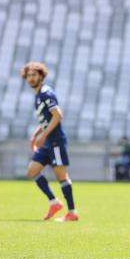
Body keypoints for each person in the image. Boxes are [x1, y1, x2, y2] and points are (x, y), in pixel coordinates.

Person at [21, 62, 79, 221]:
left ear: (41, 75)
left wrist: (44, 135)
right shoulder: (38, 95)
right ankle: (54, 202)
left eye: (34, 75)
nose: (31, 78)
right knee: (32, 170)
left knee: (61, 176)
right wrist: (35, 135)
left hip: (56, 142)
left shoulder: (46, 93)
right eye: (29, 76)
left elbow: (58, 115)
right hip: (47, 142)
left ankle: (72, 212)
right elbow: (45, 119)